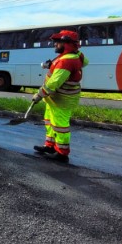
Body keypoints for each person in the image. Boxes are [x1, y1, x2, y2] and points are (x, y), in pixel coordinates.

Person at [32, 30, 88, 163]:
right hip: (55, 99)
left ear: (67, 44)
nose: (55, 45)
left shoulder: (66, 62)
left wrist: (39, 95)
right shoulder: (74, 55)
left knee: (60, 126)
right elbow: (85, 62)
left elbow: (53, 84)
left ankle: (62, 152)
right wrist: (52, 65)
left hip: (62, 100)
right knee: (50, 122)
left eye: (58, 42)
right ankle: (50, 146)